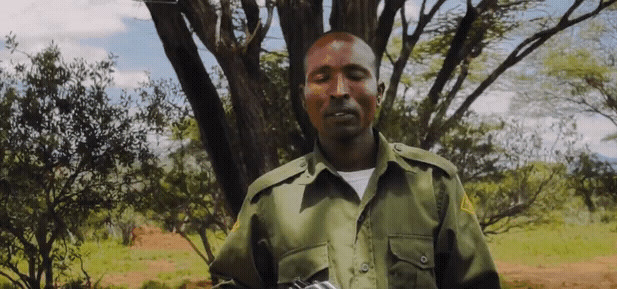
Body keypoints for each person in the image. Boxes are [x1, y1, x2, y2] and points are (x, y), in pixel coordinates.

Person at [210, 31, 500, 288]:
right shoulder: (269, 199)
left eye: (356, 75)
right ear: (303, 97)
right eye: (322, 78)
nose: (339, 91)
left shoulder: (436, 184)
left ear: (380, 93)